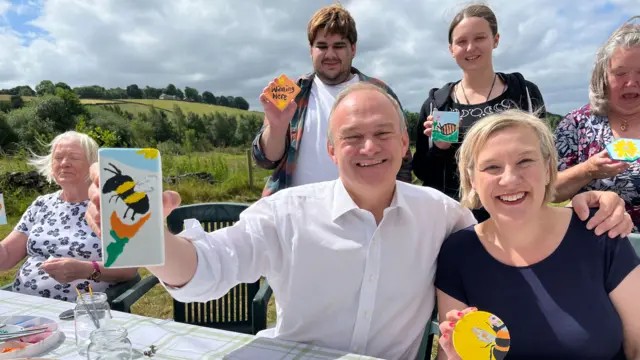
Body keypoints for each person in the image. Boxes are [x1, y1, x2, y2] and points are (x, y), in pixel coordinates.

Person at [84, 83, 632, 360]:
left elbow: (510, 223)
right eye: (351, 137)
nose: (368, 148)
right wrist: (148, 238)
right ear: (330, 146)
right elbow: (205, 271)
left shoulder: (442, 217)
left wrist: (588, 205)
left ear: (404, 144)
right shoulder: (285, 211)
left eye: (382, 134)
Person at [435, 110, 640, 359]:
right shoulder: (458, 254)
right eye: (492, 167)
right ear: (472, 180)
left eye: (525, 161)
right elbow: (454, 353)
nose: (509, 179)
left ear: (547, 168)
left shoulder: (599, 231)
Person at [251, 3, 412, 198]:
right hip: (296, 214)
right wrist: (276, 127)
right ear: (311, 50)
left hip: (365, 212)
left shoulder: (380, 92)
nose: (330, 55)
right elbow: (265, 161)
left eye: (339, 46)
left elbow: (402, 160)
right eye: (321, 46)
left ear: (353, 49)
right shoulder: (288, 92)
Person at [412, 3, 546, 222]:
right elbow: (425, 174)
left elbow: (545, 157)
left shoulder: (523, 93)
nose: (470, 47)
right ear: (451, 49)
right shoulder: (438, 104)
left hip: (515, 213)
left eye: (480, 38)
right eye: (461, 41)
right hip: (455, 222)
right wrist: (438, 148)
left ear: (495, 40)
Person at [0, 131, 138, 302]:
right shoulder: (41, 204)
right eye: (58, 157)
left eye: (74, 157)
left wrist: (86, 269)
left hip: (81, 310)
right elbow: (5, 257)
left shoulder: (110, 206)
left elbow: (129, 268)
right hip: (24, 305)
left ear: (94, 164)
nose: (64, 163)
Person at [554, 17, 640, 232]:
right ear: (602, 77)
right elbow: (549, 189)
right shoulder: (577, 124)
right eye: (620, 73)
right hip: (597, 249)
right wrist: (588, 170)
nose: (631, 82)